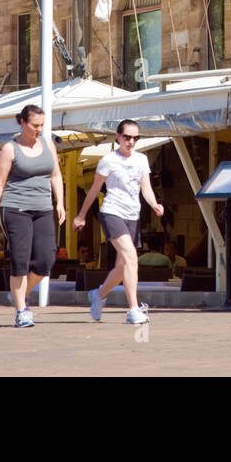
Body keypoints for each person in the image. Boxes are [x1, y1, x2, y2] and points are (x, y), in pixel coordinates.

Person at [0, 104, 64, 329]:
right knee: (20, 259)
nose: (39, 129)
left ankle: (19, 294)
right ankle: (21, 310)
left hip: (43, 207)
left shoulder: (48, 144)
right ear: (22, 123)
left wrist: (60, 203)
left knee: (46, 259)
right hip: (16, 208)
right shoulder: (10, 148)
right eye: (35, 125)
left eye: (42, 125)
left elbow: (55, 175)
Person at [75, 119, 164, 325]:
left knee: (123, 266)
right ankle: (133, 309)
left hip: (133, 215)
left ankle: (98, 295)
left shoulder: (142, 159)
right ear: (118, 136)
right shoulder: (108, 161)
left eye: (135, 138)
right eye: (127, 137)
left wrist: (154, 204)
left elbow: (146, 188)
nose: (131, 141)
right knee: (132, 257)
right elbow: (95, 189)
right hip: (112, 212)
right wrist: (81, 215)